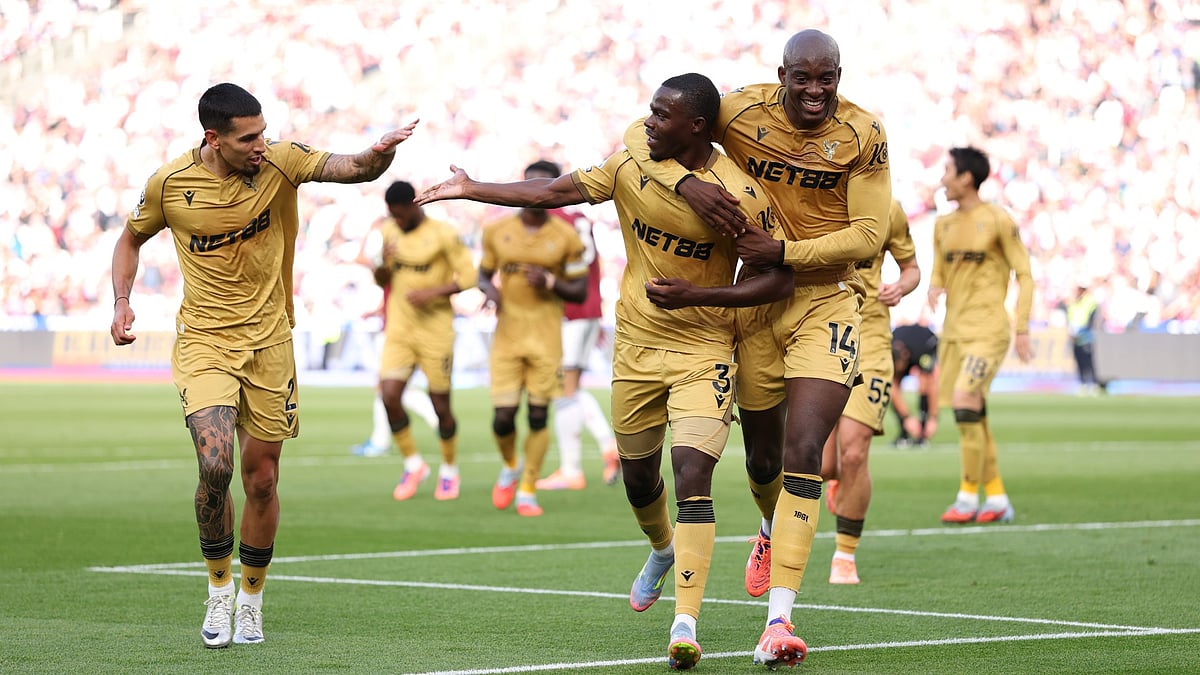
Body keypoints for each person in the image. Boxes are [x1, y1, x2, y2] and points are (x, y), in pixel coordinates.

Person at [418, 72, 790, 671]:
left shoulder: (738, 195)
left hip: (705, 349)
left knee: (692, 473)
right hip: (637, 347)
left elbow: (777, 275)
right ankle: (662, 549)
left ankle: (685, 622)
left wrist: (700, 297)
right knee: (640, 482)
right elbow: (553, 193)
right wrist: (472, 188)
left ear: (696, 125)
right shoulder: (633, 159)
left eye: (661, 114)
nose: (648, 120)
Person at [109, 82, 417, 649]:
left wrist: (381, 153)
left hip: (271, 342)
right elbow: (130, 240)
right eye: (248, 137)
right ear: (213, 138)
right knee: (215, 464)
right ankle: (219, 588)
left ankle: (251, 599)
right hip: (204, 341)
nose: (260, 144)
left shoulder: (280, 160)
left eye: (262, 131)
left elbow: (352, 169)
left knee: (263, 480)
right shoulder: (172, 186)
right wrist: (123, 300)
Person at [623, 30, 891, 668]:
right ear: (783, 75)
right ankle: (769, 528)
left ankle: (779, 621)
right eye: (803, 79)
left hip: (825, 299)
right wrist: (684, 185)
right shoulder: (742, 111)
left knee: (805, 453)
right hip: (758, 306)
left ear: (839, 76)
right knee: (764, 460)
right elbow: (642, 134)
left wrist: (786, 253)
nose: (815, 92)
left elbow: (870, 234)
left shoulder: (865, 133)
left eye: (827, 79)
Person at [472, 165, 589, 519]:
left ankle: (527, 488)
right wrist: (489, 288)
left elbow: (580, 291)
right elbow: (482, 273)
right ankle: (510, 464)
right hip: (507, 338)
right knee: (502, 418)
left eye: (542, 184)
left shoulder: (566, 237)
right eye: (529, 183)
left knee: (538, 416)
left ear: (553, 190)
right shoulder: (497, 231)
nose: (534, 191)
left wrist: (551, 283)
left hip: (546, 340)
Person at [928, 145, 1035, 525]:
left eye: (947, 171)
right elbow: (940, 270)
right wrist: (933, 288)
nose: (942, 178)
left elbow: (1024, 273)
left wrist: (1021, 326)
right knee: (974, 415)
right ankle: (999, 498)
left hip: (988, 330)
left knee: (964, 401)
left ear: (966, 178)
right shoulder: (942, 225)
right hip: (954, 332)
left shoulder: (998, 220)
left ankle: (967, 496)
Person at [820, 198, 920, 585]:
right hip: (822, 336)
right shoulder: (813, 194)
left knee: (856, 450)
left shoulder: (887, 208)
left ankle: (844, 554)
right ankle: (837, 482)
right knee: (825, 463)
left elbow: (911, 269)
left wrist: (901, 288)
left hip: (874, 342)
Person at [515, 160, 621, 492]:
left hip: (566, 312)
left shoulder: (551, 221)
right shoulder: (578, 216)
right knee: (569, 387)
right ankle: (607, 447)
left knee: (561, 389)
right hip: (586, 308)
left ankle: (572, 469)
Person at [371, 180, 476, 501]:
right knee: (389, 396)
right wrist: (382, 265)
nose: (398, 222)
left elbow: (470, 278)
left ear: (414, 206)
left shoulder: (443, 233)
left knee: (440, 405)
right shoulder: (389, 232)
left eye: (401, 216)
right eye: (394, 217)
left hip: (436, 330)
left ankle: (449, 468)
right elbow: (381, 279)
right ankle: (413, 463)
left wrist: (433, 292)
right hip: (400, 330)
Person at [889, 321, 940, 447]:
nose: (900, 372)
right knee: (888, 388)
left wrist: (933, 418)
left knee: (924, 386)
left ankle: (923, 431)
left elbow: (931, 384)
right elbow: (892, 386)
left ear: (905, 356)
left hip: (925, 343)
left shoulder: (922, 348)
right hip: (903, 341)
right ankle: (904, 432)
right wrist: (907, 417)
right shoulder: (888, 346)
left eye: (900, 368)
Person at [1062, 283, 1102, 396]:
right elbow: (1070, 317)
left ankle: (1093, 384)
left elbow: (1090, 320)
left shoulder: (1090, 302)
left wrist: (1080, 331)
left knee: (1088, 361)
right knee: (1079, 361)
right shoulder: (1073, 303)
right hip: (1075, 337)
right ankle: (1083, 383)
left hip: (1086, 337)